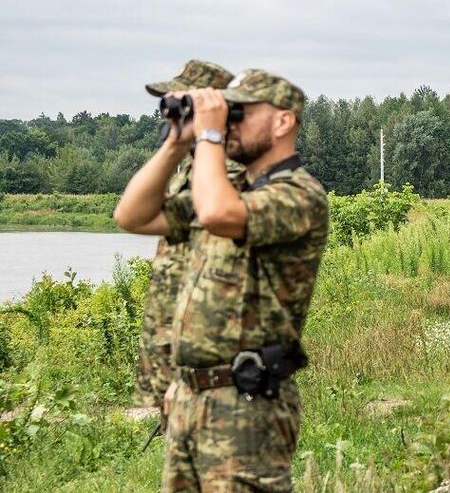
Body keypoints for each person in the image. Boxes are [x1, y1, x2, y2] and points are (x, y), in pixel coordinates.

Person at [114, 69, 328, 492]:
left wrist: (209, 138)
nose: (229, 123)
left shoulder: (300, 194)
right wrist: (178, 142)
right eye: (227, 113)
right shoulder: (225, 187)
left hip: (247, 404)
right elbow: (131, 215)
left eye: (240, 113)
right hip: (192, 397)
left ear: (283, 122)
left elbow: (217, 214)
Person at [136, 60, 238, 410]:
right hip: (174, 344)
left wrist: (190, 376)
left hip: (208, 366)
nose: (170, 112)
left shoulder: (232, 173)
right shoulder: (190, 168)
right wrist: (175, 146)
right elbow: (130, 215)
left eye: (182, 104)